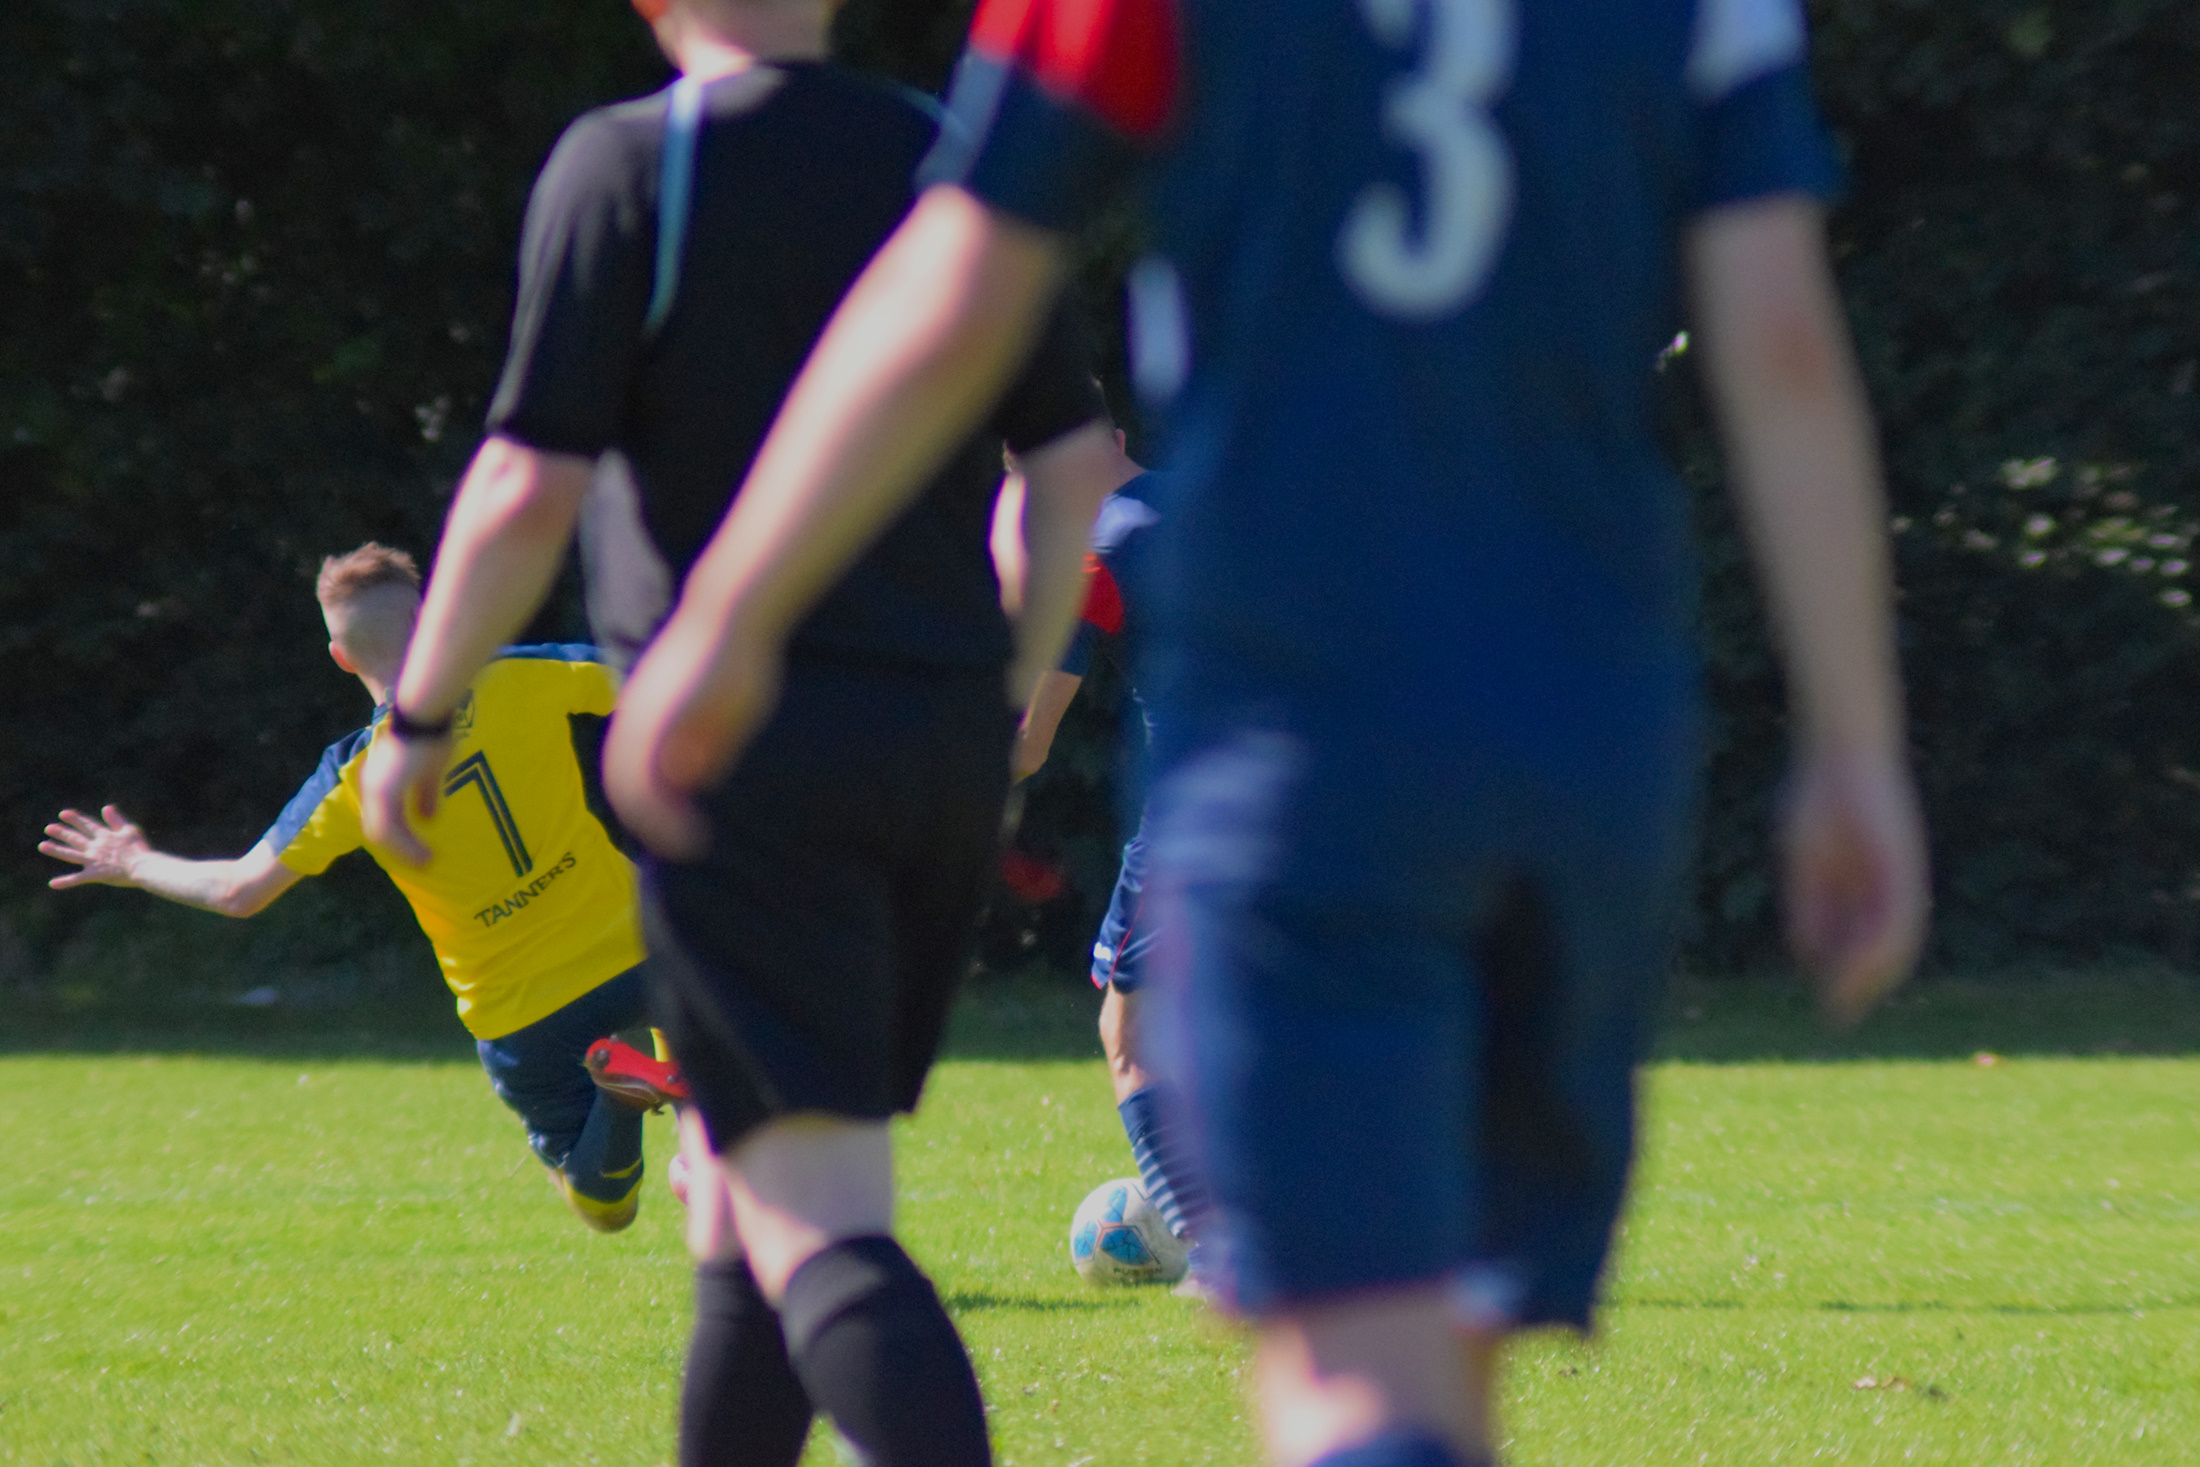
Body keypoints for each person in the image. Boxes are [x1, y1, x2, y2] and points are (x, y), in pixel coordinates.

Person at [596, 3, 1934, 1466]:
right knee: (1449, 1365)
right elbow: (1783, 342)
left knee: (1349, 1371)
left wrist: (730, 609)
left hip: (1303, 729)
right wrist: (1856, 743)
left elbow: (957, 282)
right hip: (1582, 723)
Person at [348, 1, 1120, 1463]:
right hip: (936, 751)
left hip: (739, 752)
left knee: (814, 1209)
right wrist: (1006, 700)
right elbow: (1069, 463)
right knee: (738, 1191)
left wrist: (420, 715)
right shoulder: (950, 157)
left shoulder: (636, 163)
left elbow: (526, 480)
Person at [39, 543, 665, 1233]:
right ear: (429, 618)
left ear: (339, 655)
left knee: (604, 1206)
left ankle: (622, 1095)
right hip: (644, 952)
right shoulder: (516, 674)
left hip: (521, 1012)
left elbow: (238, 890)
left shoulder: (352, 776)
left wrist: (134, 862)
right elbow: (657, 680)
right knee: (736, 1075)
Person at [1011, 463, 1210, 1253]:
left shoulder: (1090, 556)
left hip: (1208, 794)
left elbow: (1026, 747)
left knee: (1129, 1033)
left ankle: (1212, 1251)